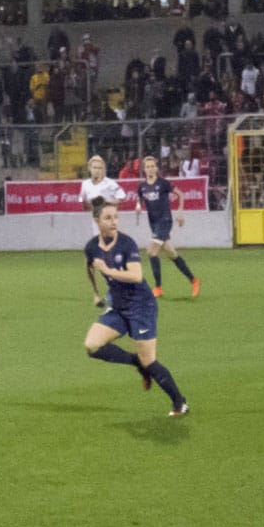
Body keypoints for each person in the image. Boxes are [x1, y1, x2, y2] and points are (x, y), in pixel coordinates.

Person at [83, 197, 189, 417]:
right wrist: (95, 292)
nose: (114, 222)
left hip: (142, 306)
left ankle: (180, 403)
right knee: (92, 345)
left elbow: (136, 275)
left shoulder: (126, 244)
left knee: (150, 359)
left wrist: (108, 271)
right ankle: (137, 363)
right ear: (97, 220)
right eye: (108, 218)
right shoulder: (92, 247)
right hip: (119, 308)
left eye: (116, 217)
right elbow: (90, 268)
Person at [135, 156, 200, 299]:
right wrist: (138, 205)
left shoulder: (163, 183)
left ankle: (158, 288)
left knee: (151, 251)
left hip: (165, 221)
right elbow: (139, 197)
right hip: (153, 223)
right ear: (144, 169)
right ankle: (194, 280)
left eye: (153, 166)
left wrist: (180, 212)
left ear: (156, 168)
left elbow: (180, 194)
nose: (151, 168)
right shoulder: (142, 186)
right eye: (148, 166)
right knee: (172, 254)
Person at [78, 155, 127, 307]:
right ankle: (97, 294)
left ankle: (115, 293)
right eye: (94, 167)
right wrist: (90, 204)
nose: (97, 170)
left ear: (104, 170)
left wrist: (105, 202)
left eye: (100, 167)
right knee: (91, 263)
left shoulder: (110, 184)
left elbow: (122, 198)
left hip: (109, 228)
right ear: (89, 169)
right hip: (95, 229)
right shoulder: (85, 185)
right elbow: (83, 205)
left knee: (108, 261)